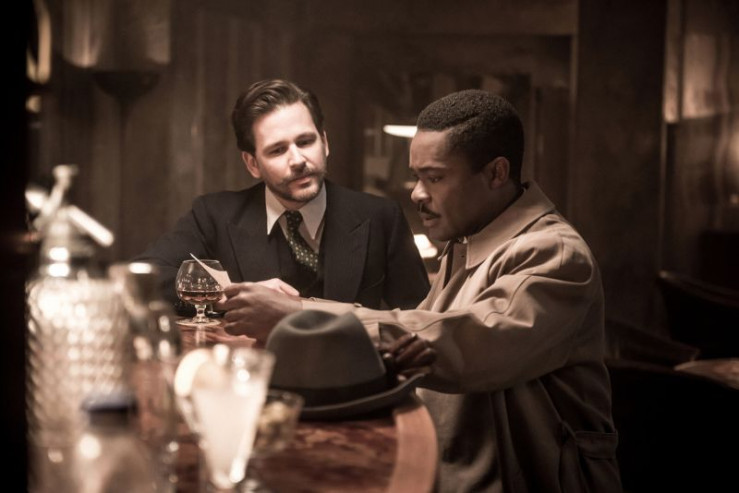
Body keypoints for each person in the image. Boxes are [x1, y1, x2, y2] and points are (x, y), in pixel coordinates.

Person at [217, 89, 622, 492]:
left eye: (435, 177)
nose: (416, 193)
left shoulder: (556, 253)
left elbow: (463, 343)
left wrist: (299, 315)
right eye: (417, 176)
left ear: (496, 174)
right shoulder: (468, 239)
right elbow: (415, 337)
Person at [135, 79, 429, 311]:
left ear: (325, 142)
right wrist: (232, 293)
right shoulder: (214, 215)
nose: (298, 160)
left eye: (306, 141)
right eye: (277, 150)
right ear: (252, 164)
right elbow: (143, 278)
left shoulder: (381, 217)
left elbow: (421, 319)